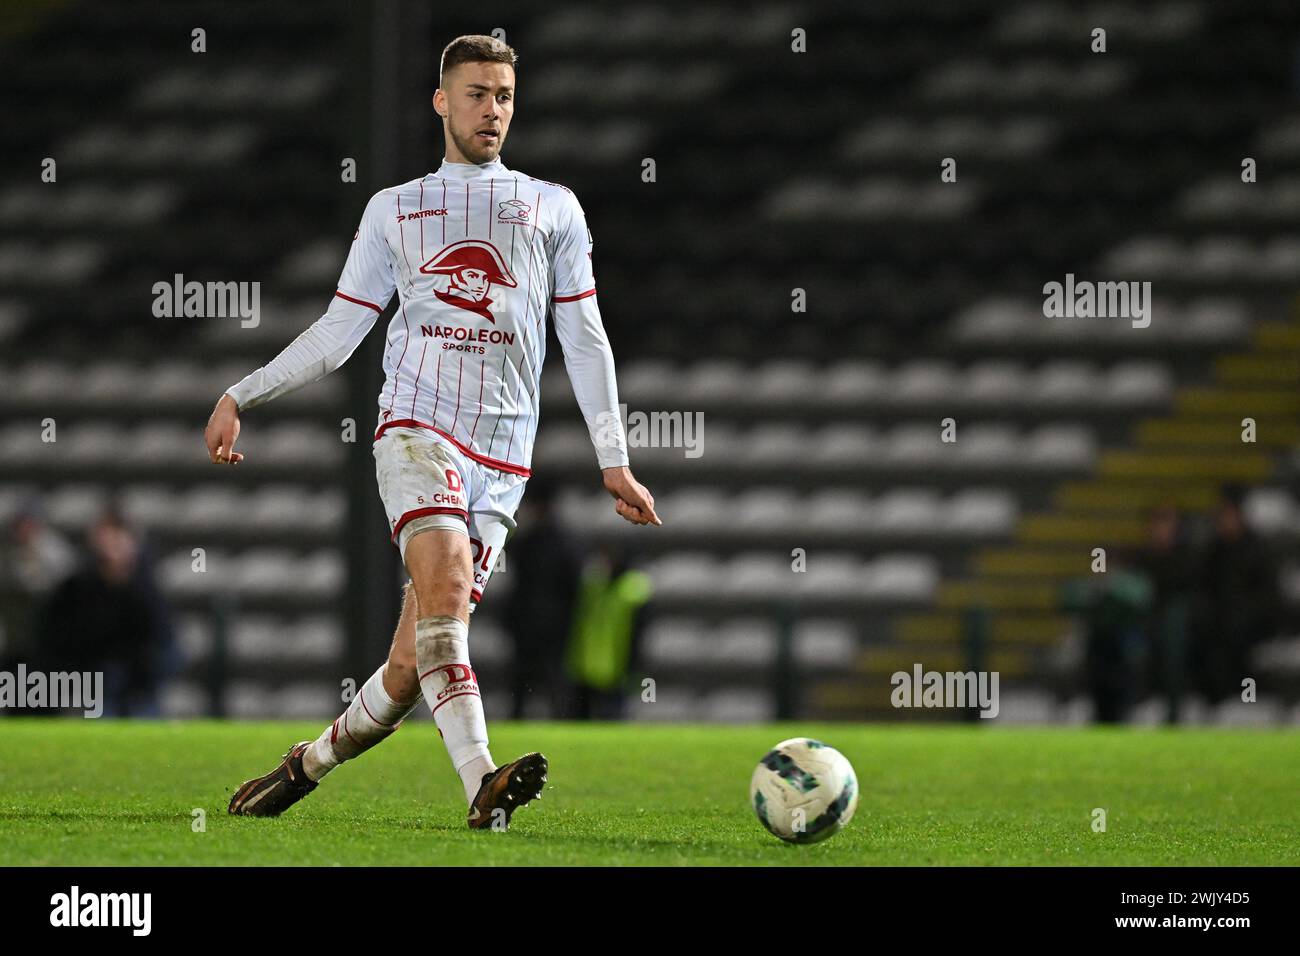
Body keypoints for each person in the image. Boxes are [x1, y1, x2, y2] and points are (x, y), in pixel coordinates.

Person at [208, 35, 661, 829]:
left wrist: (613, 460)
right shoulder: (396, 208)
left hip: (504, 459)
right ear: (442, 102)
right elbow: (340, 330)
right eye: (479, 94)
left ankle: (305, 766)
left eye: (506, 96)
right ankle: (483, 783)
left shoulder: (553, 205)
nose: (494, 110)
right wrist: (242, 393)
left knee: (414, 661)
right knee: (446, 583)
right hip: (416, 429)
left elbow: (585, 338)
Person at [32, 505, 176, 716]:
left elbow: (160, 636)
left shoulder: (146, 584)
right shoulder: (77, 585)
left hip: (138, 676)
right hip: (94, 672)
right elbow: (58, 632)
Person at [499, 478, 583, 719]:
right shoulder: (556, 542)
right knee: (532, 682)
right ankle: (557, 723)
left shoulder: (535, 543)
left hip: (544, 626)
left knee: (547, 682)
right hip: (541, 624)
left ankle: (557, 720)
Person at [1191, 485, 1278, 707]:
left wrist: (1243, 612)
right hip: (1219, 622)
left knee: (1234, 638)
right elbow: (1202, 588)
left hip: (1250, 622)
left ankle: (1243, 701)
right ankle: (1213, 703)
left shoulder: (1257, 548)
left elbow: (1268, 596)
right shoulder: (1214, 550)